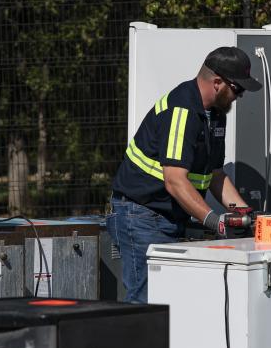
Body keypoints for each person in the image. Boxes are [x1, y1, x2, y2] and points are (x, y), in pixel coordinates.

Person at [107, 47, 262, 303]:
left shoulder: (215, 115)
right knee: (149, 303)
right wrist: (216, 222)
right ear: (217, 83)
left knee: (171, 301)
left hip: (164, 217)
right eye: (238, 89)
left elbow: (215, 175)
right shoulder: (182, 110)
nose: (240, 96)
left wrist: (246, 215)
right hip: (141, 216)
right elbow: (175, 180)